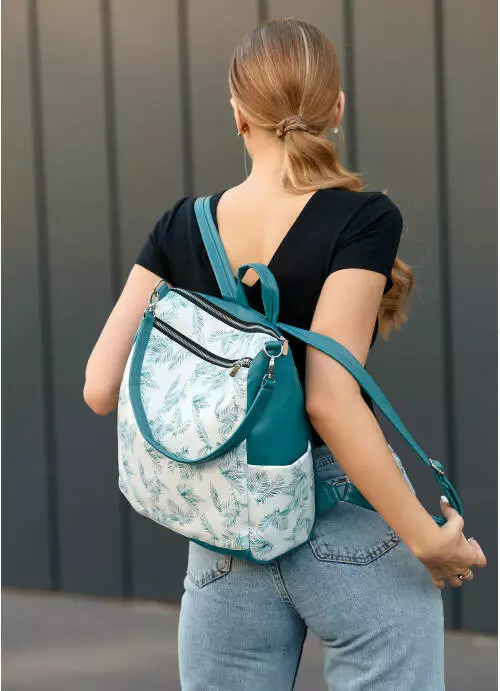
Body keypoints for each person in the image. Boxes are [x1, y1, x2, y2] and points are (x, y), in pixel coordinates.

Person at [83, 17, 487, 691]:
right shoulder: (363, 219)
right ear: (337, 109)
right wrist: (425, 537)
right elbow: (328, 397)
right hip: (341, 515)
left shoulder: (180, 227)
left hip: (224, 533)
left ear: (237, 114)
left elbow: (100, 387)